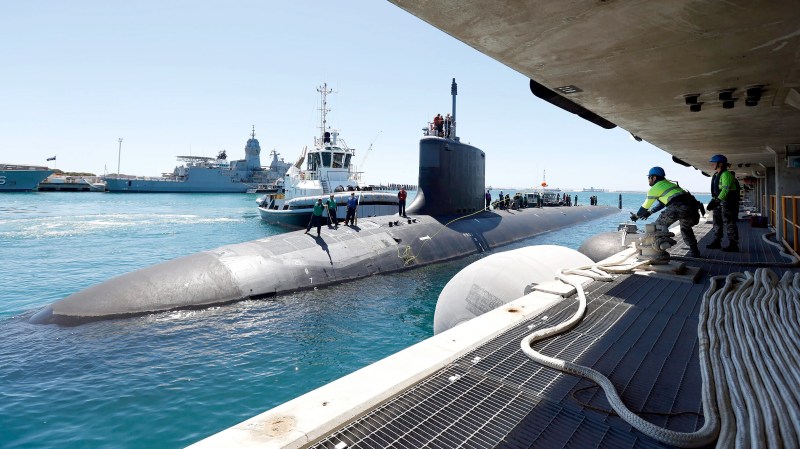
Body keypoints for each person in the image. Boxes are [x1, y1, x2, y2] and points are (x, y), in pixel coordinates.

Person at [630, 166, 701, 257]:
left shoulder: (654, 189)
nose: (648, 180)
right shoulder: (669, 184)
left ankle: (655, 252)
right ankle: (695, 251)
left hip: (678, 207)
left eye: (649, 177)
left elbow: (644, 207)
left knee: (656, 227)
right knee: (685, 228)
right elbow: (663, 203)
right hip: (692, 209)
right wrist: (650, 212)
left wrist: (636, 216)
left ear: (654, 177)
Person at [706, 154, 740, 252]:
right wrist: (713, 201)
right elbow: (716, 191)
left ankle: (733, 244)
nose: (712, 165)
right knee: (717, 222)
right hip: (719, 202)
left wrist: (716, 201)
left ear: (720, 164)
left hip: (728, 202)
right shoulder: (716, 175)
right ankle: (716, 242)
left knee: (729, 222)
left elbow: (725, 190)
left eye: (713, 163)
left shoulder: (726, 175)